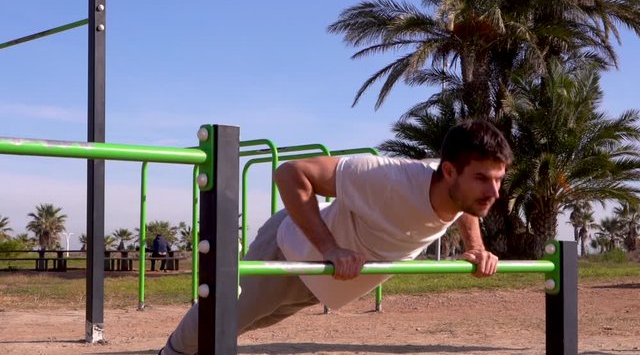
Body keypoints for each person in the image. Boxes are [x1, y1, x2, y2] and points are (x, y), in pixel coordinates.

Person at [159, 119, 513, 355]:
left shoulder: (457, 188)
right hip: (291, 250)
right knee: (223, 319)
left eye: (498, 179)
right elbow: (289, 173)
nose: (494, 192)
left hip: (328, 277)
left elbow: (467, 205)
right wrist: (330, 247)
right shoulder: (385, 177)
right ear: (449, 171)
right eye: (483, 179)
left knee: (254, 321)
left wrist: (476, 248)